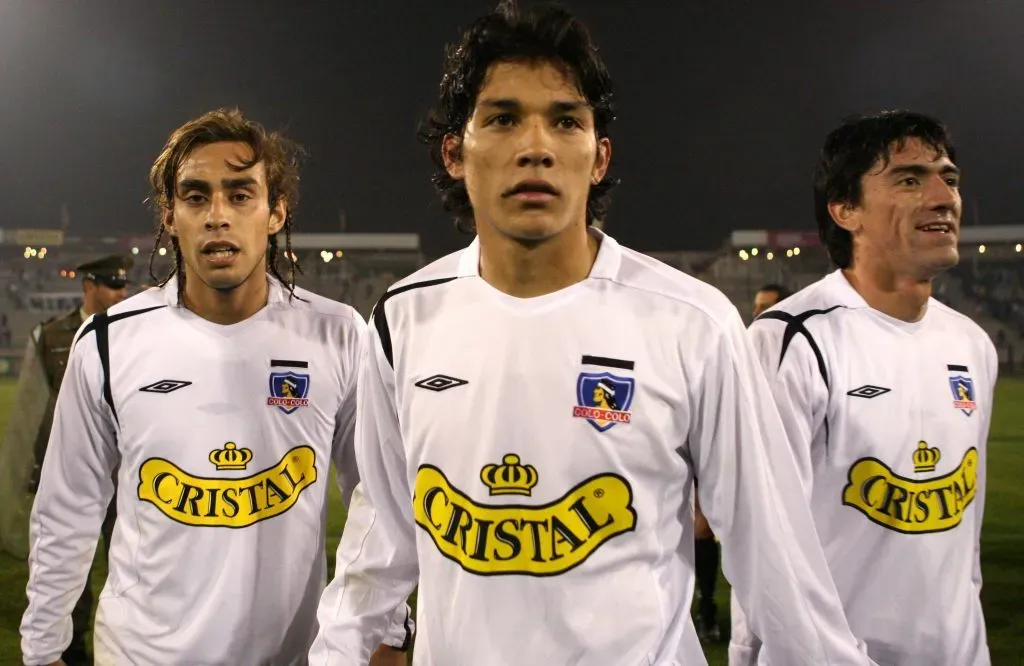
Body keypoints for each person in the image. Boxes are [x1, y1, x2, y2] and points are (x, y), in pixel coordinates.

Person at [310, 3, 872, 664]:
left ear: (599, 156)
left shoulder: (693, 323)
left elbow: (777, 562)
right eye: (503, 117)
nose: (537, 145)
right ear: (455, 152)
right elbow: (383, 539)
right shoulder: (401, 320)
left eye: (566, 120)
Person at [20, 108, 411, 666]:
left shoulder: (340, 334)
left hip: (292, 655)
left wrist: (388, 631)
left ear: (275, 211)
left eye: (240, 194)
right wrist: (42, 649)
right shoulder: (108, 342)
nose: (217, 216)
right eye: (196, 197)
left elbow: (379, 501)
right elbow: (68, 509)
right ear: (170, 215)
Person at [729, 110, 996, 666]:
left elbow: (961, 547)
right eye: (909, 178)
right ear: (845, 209)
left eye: (949, 177)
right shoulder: (793, 339)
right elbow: (764, 549)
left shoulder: (972, 344)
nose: (942, 195)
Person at [0, 255, 130, 665]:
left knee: (128, 576)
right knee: (67, 581)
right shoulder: (52, 335)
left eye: (122, 285)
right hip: (72, 475)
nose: (119, 293)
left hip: (126, 483)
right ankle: (69, 654)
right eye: (111, 285)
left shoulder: (133, 333)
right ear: (89, 285)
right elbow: (29, 413)